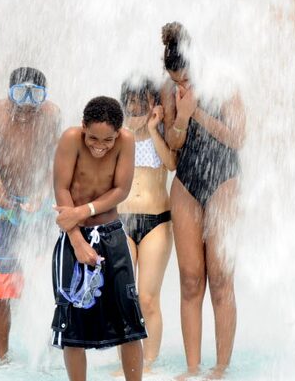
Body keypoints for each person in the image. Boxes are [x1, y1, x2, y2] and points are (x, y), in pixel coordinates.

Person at [159, 22, 246, 380]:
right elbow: (175, 148)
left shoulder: (225, 84)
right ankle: (192, 368)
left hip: (224, 179)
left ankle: (220, 367)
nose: (182, 87)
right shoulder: (169, 90)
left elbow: (238, 138)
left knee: (221, 277)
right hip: (187, 183)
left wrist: (196, 112)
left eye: (186, 81)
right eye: (176, 81)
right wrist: (180, 114)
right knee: (191, 279)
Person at [50, 96, 146, 381]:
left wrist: (84, 210)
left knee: (130, 322)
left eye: (108, 140)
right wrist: (77, 241)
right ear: (83, 127)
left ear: (118, 133)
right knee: (72, 326)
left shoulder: (127, 141)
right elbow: (61, 187)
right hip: (73, 237)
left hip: (112, 235)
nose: (100, 146)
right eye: (93, 138)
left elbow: (121, 189)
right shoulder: (70, 139)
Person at [0, 66, 61, 364]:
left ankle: (48, 351)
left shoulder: (51, 114)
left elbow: (55, 157)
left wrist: (44, 190)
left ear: (44, 97)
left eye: (35, 96)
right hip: (7, 211)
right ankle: (1, 358)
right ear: (9, 94)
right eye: (20, 94)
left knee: (48, 284)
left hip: (40, 209)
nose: (27, 104)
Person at [117, 77, 176, 372]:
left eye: (143, 105)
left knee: (148, 298)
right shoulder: (117, 135)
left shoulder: (161, 132)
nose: (137, 112)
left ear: (154, 106)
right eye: (132, 106)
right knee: (124, 299)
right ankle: (128, 364)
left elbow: (172, 163)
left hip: (157, 222)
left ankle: (149, 362)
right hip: (122, 222)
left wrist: (153, 129)